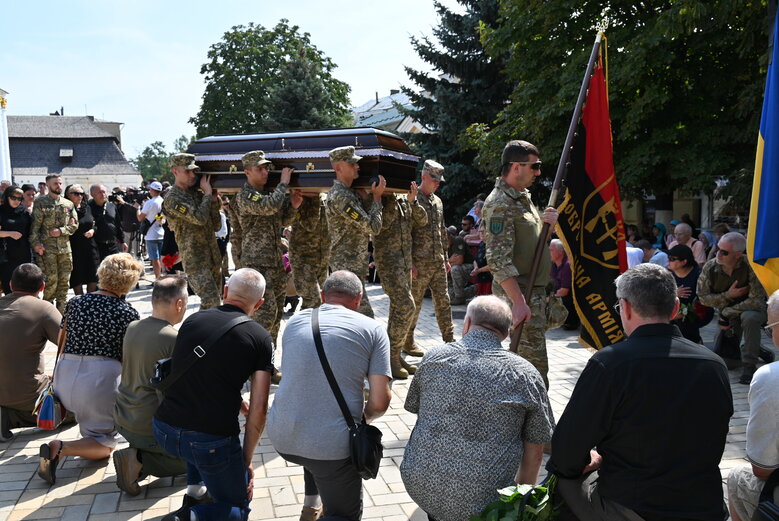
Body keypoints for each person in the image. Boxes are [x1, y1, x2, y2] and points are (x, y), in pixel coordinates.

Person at [548, 263, 732, 520]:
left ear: (624, 307)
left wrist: (590, 460)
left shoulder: (610, 363)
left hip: (635, 506)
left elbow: (565, 454)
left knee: (560, 481)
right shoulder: (715, 365)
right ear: (675, 308)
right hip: (704, 505)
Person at [401, 296, 553, 521]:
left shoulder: (433, 357)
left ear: (468, 323)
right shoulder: (526, 374)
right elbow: (536, 450)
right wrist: (519, 503)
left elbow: (417, 409)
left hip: (420, 484)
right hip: (485, 503)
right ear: (507, 332)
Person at [266, 271, 391, 521]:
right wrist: (362, 419)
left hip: (282, 434)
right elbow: (379, 402)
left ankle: (311, 506)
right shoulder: (373, 329)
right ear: (359, 298)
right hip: (330, 448)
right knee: (343, 514)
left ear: (323, 296)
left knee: (317, 436)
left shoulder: (296, 322)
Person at [153, 268, 274, 521]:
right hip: (210, 442)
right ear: (259, 303)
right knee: (238, 508)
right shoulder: (260, 338)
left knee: (196, 443)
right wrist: (245, 461)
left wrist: (237, 402)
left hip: (164, 429)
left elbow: (198, 376)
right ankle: (189, 517)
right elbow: (259, 409)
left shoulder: (193, 320)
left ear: (226, 291)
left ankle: (195, 494)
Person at [38, 253, 144, 485]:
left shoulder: (75, 303)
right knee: (104, 444)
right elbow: (127, 356)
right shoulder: (127, 312)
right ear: (129, 281)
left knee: (91, 427)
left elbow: (62, 339)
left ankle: (77, 439)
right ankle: (60, 448)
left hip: (65, 375)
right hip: (99, 381)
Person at [482, 140, 559, 387]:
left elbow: (531, 244)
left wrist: (548, 228)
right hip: (521, 295)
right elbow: (497, 260)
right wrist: (518, 303)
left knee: (529, 371)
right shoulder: (500, 203)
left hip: (531, 295)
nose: (538, 172)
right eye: (534, 166)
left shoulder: (522, 198)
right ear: (516, 167)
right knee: (534, 374)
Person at [112, 275, 189, 496]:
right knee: (198, 460)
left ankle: (138, 454)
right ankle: (140, 461)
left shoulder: (133, 327)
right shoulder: (173, 338)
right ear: (179, 304)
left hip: (123, 416)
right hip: (148, 424)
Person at [233, 150, 302, 345]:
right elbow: (268, 206)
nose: (265, 172)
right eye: (260, 169)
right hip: (258, 265)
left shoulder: (267, 194)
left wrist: (293, 207)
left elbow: (281, 221)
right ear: (247, 172)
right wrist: (283, 183)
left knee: (277, 316)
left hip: (275, 263)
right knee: (265, 317)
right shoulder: (246, 195)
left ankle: (268, 359)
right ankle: (254, 359)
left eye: (266, 168)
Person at [727, 290, 779, 521]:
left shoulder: (771, 377)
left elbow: (762, 468)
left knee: (737, 477)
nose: (770, 334)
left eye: (770, 328)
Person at [697, 231, 770, 384]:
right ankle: (755, 348)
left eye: (724, 252)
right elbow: (703, 298)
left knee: (749, 318)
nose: (718, 254)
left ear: (738, 255)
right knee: (728, 362)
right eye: (718, 248)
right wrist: (728, 295)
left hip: (750, 311)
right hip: (728, 315)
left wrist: (726, 312)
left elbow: (756, 301)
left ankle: (750, 365)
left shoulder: (750, 266)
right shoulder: (710, 267)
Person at [0, 264, 61, 441]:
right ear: (42, 287)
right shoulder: (43, 308)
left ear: (11, 284)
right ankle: (10, 417)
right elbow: (72, 346)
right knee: (77, 408)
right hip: (28, 397)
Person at [324, 145, 386, 318]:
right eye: (352, 164)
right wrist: (377, 198)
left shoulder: (350, 193)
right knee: (365, 316)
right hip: (347, 264)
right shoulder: (342, 196)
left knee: (350, 316)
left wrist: (366, 199)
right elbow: (373, 227)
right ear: (338, 168)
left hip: (351, 263)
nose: (357, 166)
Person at [373, 183, 428, 379]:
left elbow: (422, 220)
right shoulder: (381, 198)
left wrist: (412, 202)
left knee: (397, 309)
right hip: (389, 261)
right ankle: (390, 357)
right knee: (406, 306)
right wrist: (383, 196)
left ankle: (393, 356)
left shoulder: (404, 198)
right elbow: (381, 225)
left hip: (404, 261)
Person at [404, 160, 455, 357]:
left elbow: (441, 231)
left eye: (439, 180)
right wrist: (410, 263)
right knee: (414, 304)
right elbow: (405, 233)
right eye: (434, 180)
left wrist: (446, 258)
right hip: (419, 264)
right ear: (424, 176)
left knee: (444, 301)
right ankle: (408, 341)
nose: (438, 184)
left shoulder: (438, 201)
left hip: (438, 262)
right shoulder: (410, 199)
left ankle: (449, 340)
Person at [162, 153, 223, 309]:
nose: (192, 175)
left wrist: (214, 200)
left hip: (213, 256)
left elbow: (216, 225)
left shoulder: (198, 194)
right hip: (195, 260)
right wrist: (207, 195)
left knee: (214, 304)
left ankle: (205, 325)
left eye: (194, 171)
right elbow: (199, 218)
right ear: (175, 171)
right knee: (211, 301)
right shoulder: (172, 198)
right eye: (187, 171)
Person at [30, 174, 78, 312]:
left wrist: (61, 231)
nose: (59, 186)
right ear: (48, 185)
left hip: (65, 250)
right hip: (47, 250)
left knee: (64, 284)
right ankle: (47, 314)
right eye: (55, 183)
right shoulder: (40, 202)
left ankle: (61, 317)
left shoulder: (68, 204)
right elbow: (34, 228)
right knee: (50, 283)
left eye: (60, 183)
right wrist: (36, 245)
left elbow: (75, 225)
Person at [289, 193, 329, 309]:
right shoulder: (298, 198)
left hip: (322, 258)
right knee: (313, 300)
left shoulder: (325, 198)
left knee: (323, 302)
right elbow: (310, 224)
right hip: (303, 259)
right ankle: (305, 321)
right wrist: (314, 197)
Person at [66, 184, 100, 295]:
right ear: (68, 195)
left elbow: (94, 224)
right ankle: (80, 300)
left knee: (93, 274)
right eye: (76, 194)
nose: (79, 196)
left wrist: (93, 230)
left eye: (81, 193)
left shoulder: (87, 207)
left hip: (90, 246)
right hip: (74, 247)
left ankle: (90, 299)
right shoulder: (65, 209)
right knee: (77, 276)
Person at [667, 244, 704, 343]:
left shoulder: (698, 275)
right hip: (669, 314)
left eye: (672, 259)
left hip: (692, 315)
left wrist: (685, 312)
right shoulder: (666, 274)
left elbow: (703, 300)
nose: (668, 261)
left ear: (684, 261)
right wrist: (674, 293)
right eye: (668, 258)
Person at [0, 186, 33, 294]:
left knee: (24, 284)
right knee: (8, 285)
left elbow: (31, 231)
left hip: (23, 253)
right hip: (6, 255)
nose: (16, 201)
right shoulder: (1, 211)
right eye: (13, 198)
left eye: (19, 198)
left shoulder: (24, 212)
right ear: (7, 197)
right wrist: (10, 234)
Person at [88, 184, 127, 260]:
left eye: (104, 192)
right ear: (92, 194)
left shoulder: (111, 206)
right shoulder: (88, 207)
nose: (103, 194)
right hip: (96, 246)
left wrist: (122, 241)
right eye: (100, 192)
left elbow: (118, 224)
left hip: (112, 245)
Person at [138, 181, 166, 279]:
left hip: (151, 234)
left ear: (153, 190)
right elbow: (160, 217)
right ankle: (164, 276)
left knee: (154, 258)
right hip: (161, 232)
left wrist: (137, 208)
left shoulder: (149, 203)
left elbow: (140, 218)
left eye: (150, 189)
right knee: (162, 257)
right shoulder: (163, 201)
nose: (149, 191)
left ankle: (158, 278)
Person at [549, 238, 579, 330]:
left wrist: (548, 299)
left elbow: (564, 291)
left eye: (551, 250)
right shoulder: (553, 265)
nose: (549, 253)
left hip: (569, 299)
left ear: (560, 252)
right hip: (558, 294)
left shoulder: (567, 265)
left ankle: (570, 321)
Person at [448, 227, 474, 305]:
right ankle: (474, 289)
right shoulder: (444, 245)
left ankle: (459, 297)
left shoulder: (457, 240)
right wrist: (449, 261)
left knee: (454, 269)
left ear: (449, 237)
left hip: (470, 267)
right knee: (450, 296)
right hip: (457, 267)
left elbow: (459, 261)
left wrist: (448, 263)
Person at [470, 222, 493, 296]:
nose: (481, 233)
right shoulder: (481, 244)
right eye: (480, 231)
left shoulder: (492, 245)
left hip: (490, 279)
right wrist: (476, 268)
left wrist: (479, 270)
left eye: (484, 231)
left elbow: (492, 265)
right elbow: (475, 259)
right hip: (481, 278)